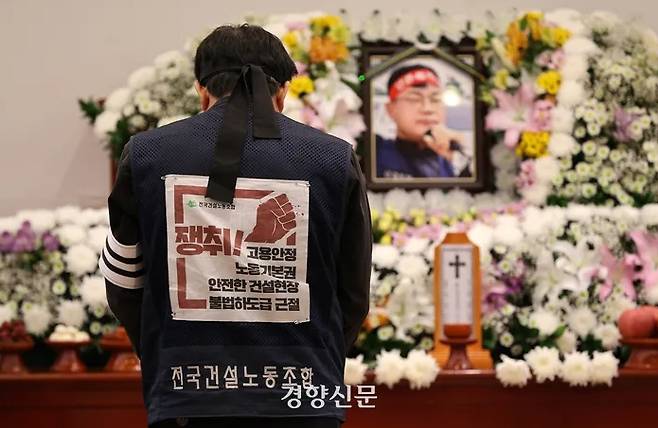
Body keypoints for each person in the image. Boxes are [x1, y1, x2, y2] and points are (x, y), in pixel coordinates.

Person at [98, 24, 372, 428]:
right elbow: (352, 291)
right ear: (281, 93)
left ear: (201, 90)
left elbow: (124, 282)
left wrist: (162, 348)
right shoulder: (332, 159)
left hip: (186, 392)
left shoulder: (147, 155)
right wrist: (318, 354)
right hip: (303, 392)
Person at [375, 64, 467, 178]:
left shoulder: (453, 160)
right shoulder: (374, 150)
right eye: (414, 99)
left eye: (435, 99)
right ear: (390, 109)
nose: (427, 109)